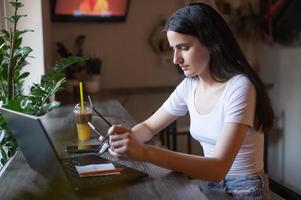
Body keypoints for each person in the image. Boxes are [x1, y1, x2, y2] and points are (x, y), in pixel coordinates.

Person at [101, 3, 274, 199]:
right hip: (209, 183)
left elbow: (218, 167)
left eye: (184, 48)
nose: (175, 59)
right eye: (174, 49)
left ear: (212, 42)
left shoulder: (240, 86)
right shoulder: (190, 85)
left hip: (244, 189)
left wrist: (145, 152)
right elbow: (149, 127)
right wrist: (124, 140)